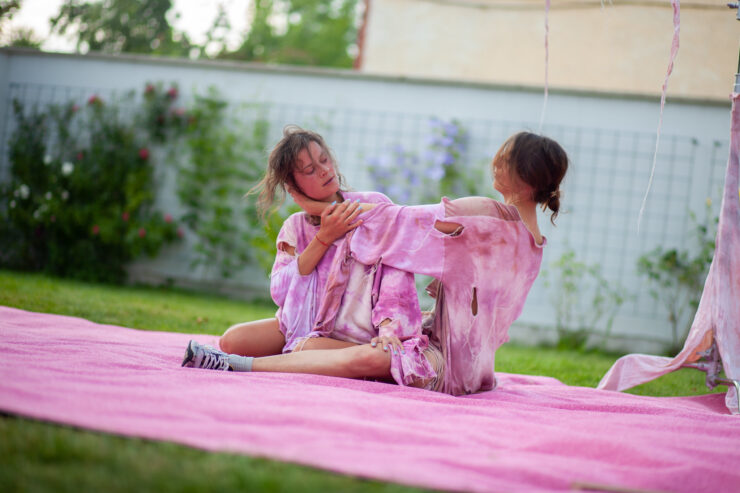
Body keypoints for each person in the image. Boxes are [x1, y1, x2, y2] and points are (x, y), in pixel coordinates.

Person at [185, 131, 568, 396]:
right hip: (473, 366)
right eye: (309, 169)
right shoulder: (533, 242)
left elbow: (398, 225)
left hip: (443, 360)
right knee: (277, 342)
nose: (493, 165)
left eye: (501, 160)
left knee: (363, 354)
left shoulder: (485, 215)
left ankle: (238, 365)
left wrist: (318, 209)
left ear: (520, 175)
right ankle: (261, 356)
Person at [182, 125, 439, 389]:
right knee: (232, 341)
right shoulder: (295, 227)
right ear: (293, 186)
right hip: (303, 325)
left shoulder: (373, 205)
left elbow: (396, 271)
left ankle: (340, 358)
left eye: (324, 159)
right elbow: (281, 293)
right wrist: (324, 237)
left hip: (357, 333)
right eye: (309, 170)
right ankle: (323, 356)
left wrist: (389, 329)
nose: (324, 170)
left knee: (306, 348)